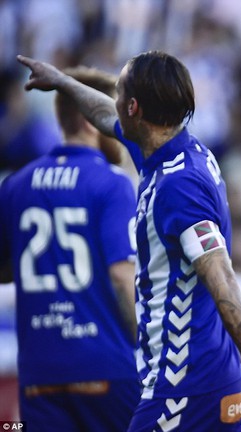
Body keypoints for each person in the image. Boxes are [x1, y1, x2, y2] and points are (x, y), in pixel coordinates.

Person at [17, 50, 241, 431]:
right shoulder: (170, 149)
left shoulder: (178, 187)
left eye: (119, 92)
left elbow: (220, 275)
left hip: (184, 387)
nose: (114, 101)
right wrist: (63, 82)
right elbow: (106, 116)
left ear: (134, 108)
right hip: (210, 381)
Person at [0, 66, 140, 432]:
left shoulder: (15, 185)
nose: (122, 131)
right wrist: (147, 347)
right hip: (107, 370)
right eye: (114, 117)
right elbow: (122, 276)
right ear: (92, 120)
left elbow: (4, 269)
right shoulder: (113, 184)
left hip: (39, 376)